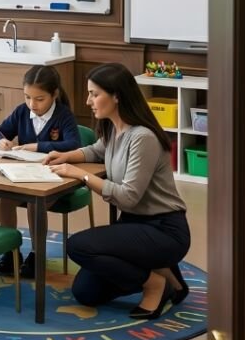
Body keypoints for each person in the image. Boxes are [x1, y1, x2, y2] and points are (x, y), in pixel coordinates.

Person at [48, 62, 191, 319]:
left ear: (116, 96)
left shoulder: (142, 137)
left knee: (78, 246)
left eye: (94, 94)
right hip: (134, 225)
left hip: (164, 229)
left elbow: (128, 197)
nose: (88, 101)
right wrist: (65, 156)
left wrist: (80, 175)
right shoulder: (115, 129)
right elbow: (96, 151)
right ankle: (168, 275)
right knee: (86, 293)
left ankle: (154, 284)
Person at [0, 64, 81, 278]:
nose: (32, 104)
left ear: (54, 94)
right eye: (28, 97)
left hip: (56, 178)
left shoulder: (63, 115)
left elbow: (74, 144)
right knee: (5, 198)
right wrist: (0, 141)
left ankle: (37, 254)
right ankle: (10, 252)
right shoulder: (22, 112)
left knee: (34, 202)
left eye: (39, 99)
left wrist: (38, 146)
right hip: (24, 175)